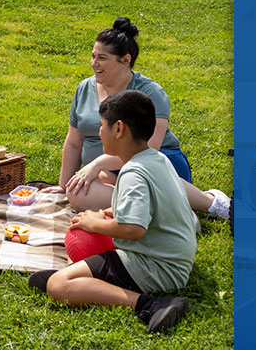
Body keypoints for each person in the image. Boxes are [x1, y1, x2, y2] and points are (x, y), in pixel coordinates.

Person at [27, 91, 197, 334]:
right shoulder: (155, 158)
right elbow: (142, 208)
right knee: (88, 246)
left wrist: (93, 224)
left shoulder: (133, 173)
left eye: (101, 126)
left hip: (159, 267)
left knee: (57, 284)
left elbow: (133, 229)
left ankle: (149, 304)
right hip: (173, 257)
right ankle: (85, 279)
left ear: (118, 129)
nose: (98, 132)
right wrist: (102, 213)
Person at [40, 17, 230, 220]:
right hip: (111, 171)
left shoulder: (150, 92)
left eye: (102, 58)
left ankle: (214, 204)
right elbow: (74, 143)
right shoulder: (84, 88)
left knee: (129, 171)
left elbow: (149, 149)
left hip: (156, 165)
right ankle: (167, 212)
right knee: (78, 192)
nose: (94, 63)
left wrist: (95, 165)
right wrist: (63, 185)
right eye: (93, 56)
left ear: (125, 60)